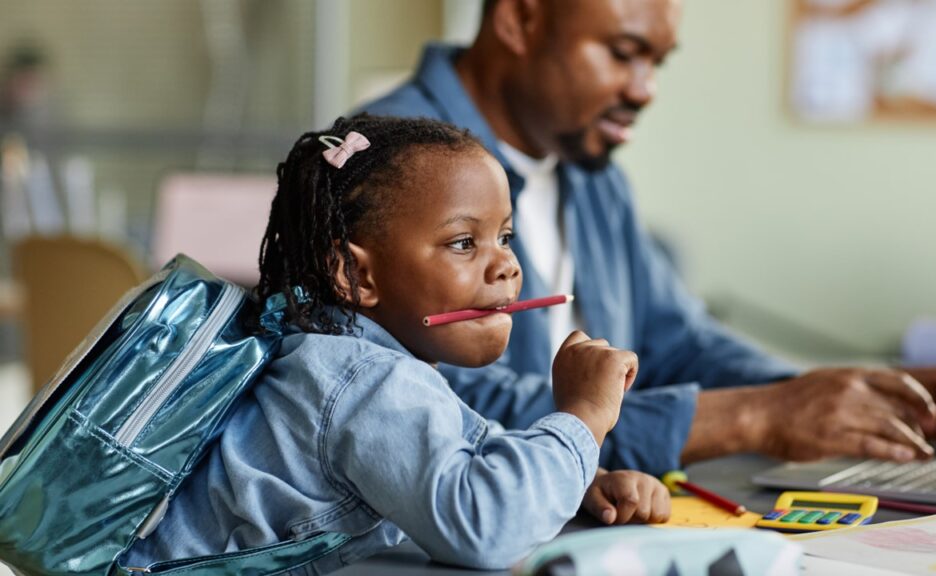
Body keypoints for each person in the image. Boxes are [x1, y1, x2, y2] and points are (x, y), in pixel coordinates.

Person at [359, 0, 936, 475]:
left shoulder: (586, 169)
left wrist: (844, 398)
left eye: (656, 62)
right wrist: (761, 415)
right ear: (522, 19)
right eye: (623, 52)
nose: (645, 90)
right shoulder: (383, 172)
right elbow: (437, 412)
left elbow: (679, 343)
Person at [125, 115, 670, 572]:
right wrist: (583, 419)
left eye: (504, 237)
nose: (505, 264)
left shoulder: (335, 356)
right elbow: (483, 525)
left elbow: (468, 450)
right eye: (463, 242)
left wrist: (579, 479)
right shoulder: (365, 379)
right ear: (354, 275)